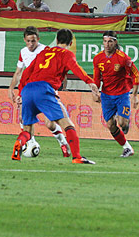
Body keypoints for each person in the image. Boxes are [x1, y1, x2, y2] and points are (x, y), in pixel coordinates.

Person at [12, 28, 99, 164]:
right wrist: (90, 82)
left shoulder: (43, 52)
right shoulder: (67, 54)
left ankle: (18, 145)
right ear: (70, 43)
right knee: (67, 124)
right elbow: (76, 68)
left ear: (57, 40)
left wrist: (20, 93)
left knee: (27, 129)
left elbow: (26, 73)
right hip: (44, 89)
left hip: (28, 90)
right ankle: (77, 157)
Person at [8, 26, 71, 157]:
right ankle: (30, 143)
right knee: (22, 118)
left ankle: (63, 142)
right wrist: (11, 88)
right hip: (28, 89)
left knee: (50, 123)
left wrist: (62, 83)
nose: (31, 44)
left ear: (38, 39)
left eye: (33, 41)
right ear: (24, 40)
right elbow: (19, 72)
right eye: (28, 41)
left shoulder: (45, 50)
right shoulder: (23, 52)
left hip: (46, 89)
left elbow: (59, 67)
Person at [93, 31, 139, 157]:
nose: (107, 44)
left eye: (110, 41)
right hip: (106, 96)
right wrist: (95, 92)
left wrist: (135, 95)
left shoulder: (123, 58)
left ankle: (126, 123)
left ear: (115, 42)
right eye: (105, 41)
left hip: (122, 94)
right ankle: (127, 148)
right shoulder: (98, 58)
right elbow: (96, 78)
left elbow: (136, 74)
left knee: (122, 123)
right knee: (110, 125)